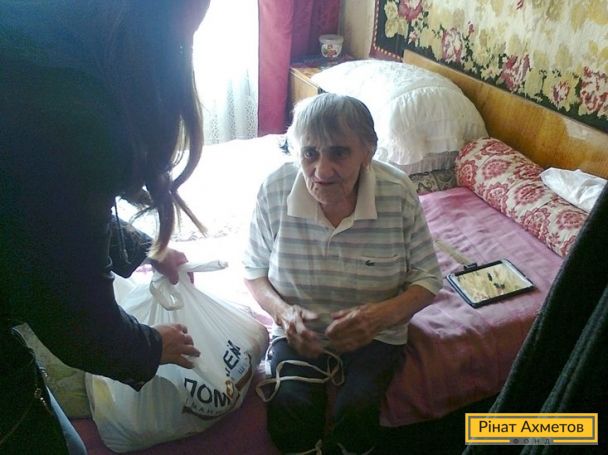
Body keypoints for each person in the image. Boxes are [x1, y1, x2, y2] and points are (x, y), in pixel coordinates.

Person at [0, 0, 210, 453]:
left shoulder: (32, 39)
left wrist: (142, 248)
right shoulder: (64, 109)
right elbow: (75, 321)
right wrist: (151, 347)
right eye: (177, 44)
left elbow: (40, 212)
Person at [243, 93, 443, 454]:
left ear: (368, 152)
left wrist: (379, 316)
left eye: (339, 153)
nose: (322, 171)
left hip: (377, 333)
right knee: (289, 405)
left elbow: (428, 278)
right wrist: (285, 315)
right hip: (299, 331)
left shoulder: (397, 192)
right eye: (310, 153)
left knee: (358, 407)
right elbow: (254, 272)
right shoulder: (274, 189)